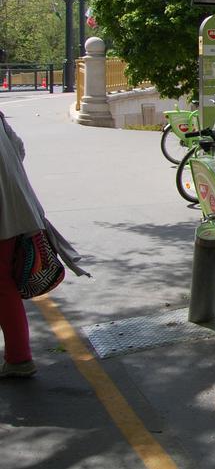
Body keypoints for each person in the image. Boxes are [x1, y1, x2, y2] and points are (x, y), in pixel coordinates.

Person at [1, 110, 87, 379]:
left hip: (6, 214)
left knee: (2, 285)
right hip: (16, 209)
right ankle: (18, 356)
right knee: (3, 284)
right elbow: (19, 147)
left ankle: (19, 357)